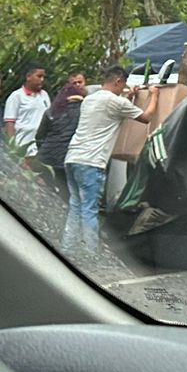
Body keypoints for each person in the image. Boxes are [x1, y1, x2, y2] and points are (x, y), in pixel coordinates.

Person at [62, 66, 158, 259]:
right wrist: (154, 95)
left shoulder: (89, 100)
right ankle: (91, 254)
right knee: (89, 210)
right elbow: (146, 117)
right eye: (123, 85)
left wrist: (128, 97)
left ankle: (67, 249)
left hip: (72, 158)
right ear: (118, 82)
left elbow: (113, 111)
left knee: (76, 206)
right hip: (91, 163)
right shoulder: (115, 102)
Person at [35, 72, 86, 196]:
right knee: (66, 196)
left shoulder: (51, 111)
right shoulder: (85, 111)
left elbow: (39, 137)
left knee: (44, 192)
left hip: (45, 158)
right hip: (67, 160)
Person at [3, 64, 51, 153]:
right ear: (28, 77)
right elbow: (9, 123)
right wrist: (12, 147)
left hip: (40, 147)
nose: (42, 80)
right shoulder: (16, 96)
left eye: (43, 77)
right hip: (22, 146)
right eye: (39, 76)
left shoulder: (44, 95)